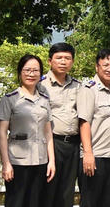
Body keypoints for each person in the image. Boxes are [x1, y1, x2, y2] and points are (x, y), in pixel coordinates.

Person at [0, 54, 56, 207]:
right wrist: (6, 163)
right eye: (27, 70)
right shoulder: (9, 99)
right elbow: (2, 133)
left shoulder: (44, 100)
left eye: (35, 70)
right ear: (20, 72)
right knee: (16, 202)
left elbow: (48, 133)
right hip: (17, 161)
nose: (31, 74)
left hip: (40, 160)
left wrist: (51, 161)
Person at [77, 49, 110, 207]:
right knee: (90, 202)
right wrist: (88, 153)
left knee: (106, 202)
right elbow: (84, 122)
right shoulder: (89, 90)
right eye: (105, 65)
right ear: (97, 67)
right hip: (95, 157)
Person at [40, 42, 81, 207]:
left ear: (72, 61)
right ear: (50, 61)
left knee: (67, 192)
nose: (63, 62)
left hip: (72, 145)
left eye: (67, 58)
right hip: (51, 144)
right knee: (48, 191)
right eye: (59, 58)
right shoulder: (40, 85)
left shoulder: (78, 86)